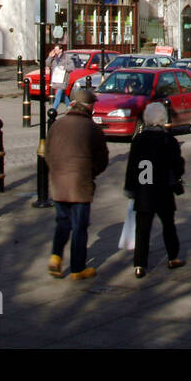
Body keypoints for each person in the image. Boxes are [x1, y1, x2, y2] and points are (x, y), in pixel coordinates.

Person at [44, 85, 109, 280]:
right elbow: (102, 159)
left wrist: (55, 171)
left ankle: (55, 256)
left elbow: (47, 153)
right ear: (89, 107)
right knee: (79, 226)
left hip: (58, 182)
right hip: (80, 184)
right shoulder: (92, 128)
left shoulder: (57, 125)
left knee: (62, 222)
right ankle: (77, 268)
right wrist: (92, 173)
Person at [124, 101, 185, 277]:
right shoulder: (168, 140)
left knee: (142, 229)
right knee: (168, 225)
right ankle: (173, 257)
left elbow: (132, 167)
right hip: (163, 188)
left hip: (144, 188)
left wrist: (130, 188)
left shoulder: (139, 140)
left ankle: (139, 264)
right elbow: (177, 165)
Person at [46, 44, 71, 113]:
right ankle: (70, 107)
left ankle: (53, 110)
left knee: (58, 95)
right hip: (56, 79)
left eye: (56, 49)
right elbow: (48, 64)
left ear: (61, 50)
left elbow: (72, 67)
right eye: (54, 49)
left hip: (63, 79)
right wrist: (50, 57)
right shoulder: (54, 58)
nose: (55, 51)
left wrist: (64, 67)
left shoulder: (66, 57)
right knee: (63, 95)